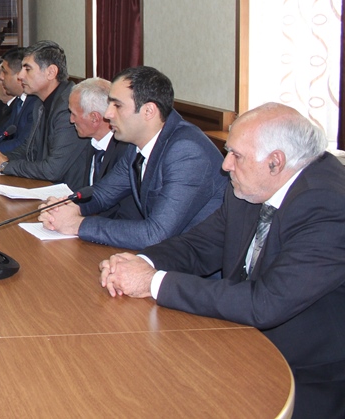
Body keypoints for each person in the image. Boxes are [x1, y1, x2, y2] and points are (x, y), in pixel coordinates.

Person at [99, 103, 345, 417]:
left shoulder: (329, 206)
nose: (225, 165)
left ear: (275, 162)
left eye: (235, 155)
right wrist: (141, 263)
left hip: (308, 371)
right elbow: (200, 245)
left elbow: (265, 303)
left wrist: (152, 282)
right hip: (241, 339)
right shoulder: (252, 183)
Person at [40, 66, 225, 249]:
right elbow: (104, 194)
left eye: (117, 105)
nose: (108, 113)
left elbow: (155, 233)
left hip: (192, 268)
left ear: (148, 111)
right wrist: (66, 207)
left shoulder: (187, 152)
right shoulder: (136, 143)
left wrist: (76, 224)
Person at [0, 41, 86, 188]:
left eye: (27, 69)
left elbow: (53, 170)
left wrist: (5, 165)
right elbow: (28, 149)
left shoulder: (69, 107)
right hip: (44, 186)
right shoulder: (40, 102)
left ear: (51, 72)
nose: (20, 76)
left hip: (66, 194)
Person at [67, 77, 132, 188]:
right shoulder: (88, 142)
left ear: (95, 118)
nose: (71, 120)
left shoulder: (125, 152)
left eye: (74, 114)